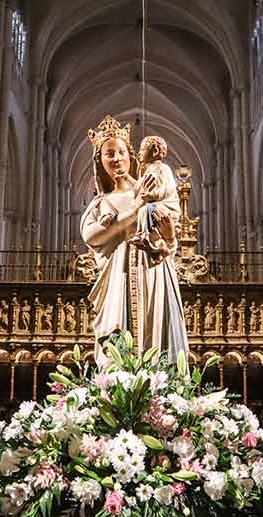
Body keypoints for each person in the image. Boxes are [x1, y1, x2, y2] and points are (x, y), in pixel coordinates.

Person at [81, 115, 188, 367]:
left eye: (121, 152)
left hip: (154, 273)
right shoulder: (102, 203)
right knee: (117, 352)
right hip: (119, 277)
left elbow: (171, 246)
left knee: (157, 340)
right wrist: (136, 206)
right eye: (109, 154)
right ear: (100, 162)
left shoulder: (152, 191)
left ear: (131, 156)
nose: (116, 159)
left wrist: (170, 235)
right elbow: (91, 235)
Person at [129, 135, 181, 265]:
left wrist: (151, 195)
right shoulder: (147, 171)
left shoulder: (163, 169)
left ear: (155, 152)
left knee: (145, 210)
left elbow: (166, 189)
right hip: (150, 209)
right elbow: (137, 188)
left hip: (163, 208)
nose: (139, 153)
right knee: (143, 211)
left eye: (142, 149)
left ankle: (150, 241)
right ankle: (148, 241)